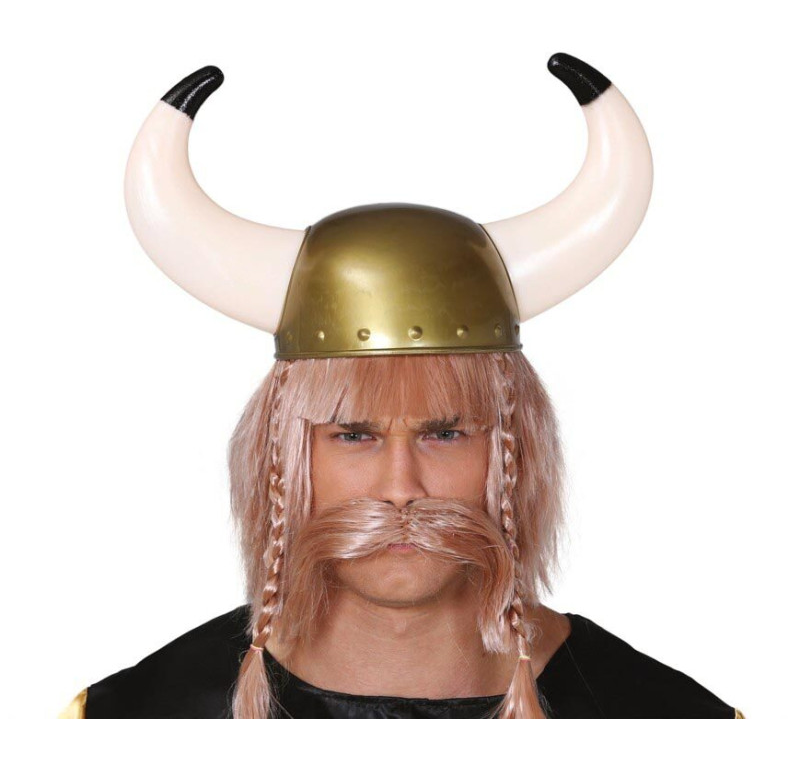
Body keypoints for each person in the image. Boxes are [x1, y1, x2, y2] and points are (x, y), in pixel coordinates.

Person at [59, 54, 743, 719]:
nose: (400, 487)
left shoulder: (657, 719)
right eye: (353, 435)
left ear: (516, 449)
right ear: (282, 456)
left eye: (444, 433)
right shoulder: (141, 717)